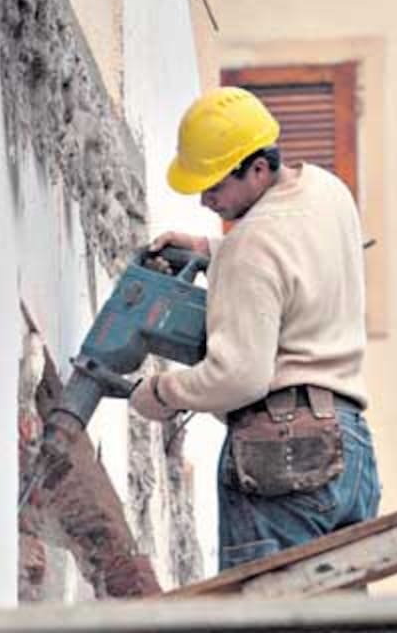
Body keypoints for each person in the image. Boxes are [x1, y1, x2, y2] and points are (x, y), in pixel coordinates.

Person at [130, 86, 381, 570]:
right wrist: (211, 249)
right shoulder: (327, 191)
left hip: (283, 453)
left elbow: (238, 377)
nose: (206, 199)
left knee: (264, 603)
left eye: (215, 186)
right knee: (335, 608)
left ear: (259, 169)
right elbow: (296, 258)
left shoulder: (251, 246)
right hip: (350, 449)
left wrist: (161, 393)